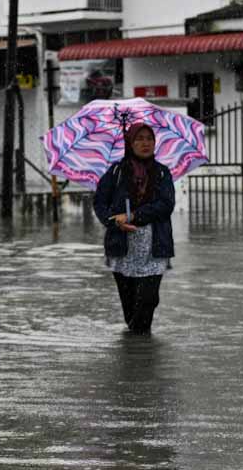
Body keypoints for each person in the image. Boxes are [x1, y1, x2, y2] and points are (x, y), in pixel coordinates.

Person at [93, 121, 176, 334]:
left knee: (148, 299)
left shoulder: (162, 173)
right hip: (122, 247)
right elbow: (100, 202)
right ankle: (135, 355)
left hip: (154, 247)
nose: (145, 143)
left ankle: (141, 351)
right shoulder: (116, 172)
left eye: (149, 139)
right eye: (139, 138)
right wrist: (114, 221)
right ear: (130, 143)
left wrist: (133, 215)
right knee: (130, 306)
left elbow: (166, 205)